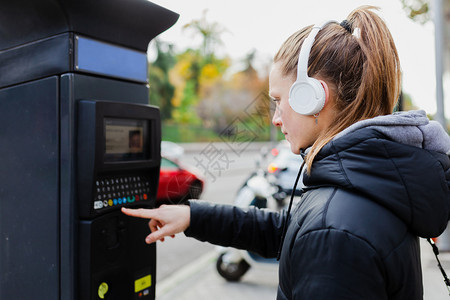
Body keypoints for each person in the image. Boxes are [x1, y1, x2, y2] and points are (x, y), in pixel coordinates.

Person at [122, 5, 450, 299]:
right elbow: (290, 231)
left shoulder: (335, 233)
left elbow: (319, 235)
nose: (276, 118)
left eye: (279, 101)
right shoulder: (374, 182)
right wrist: (193, 216)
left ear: (314, 97)